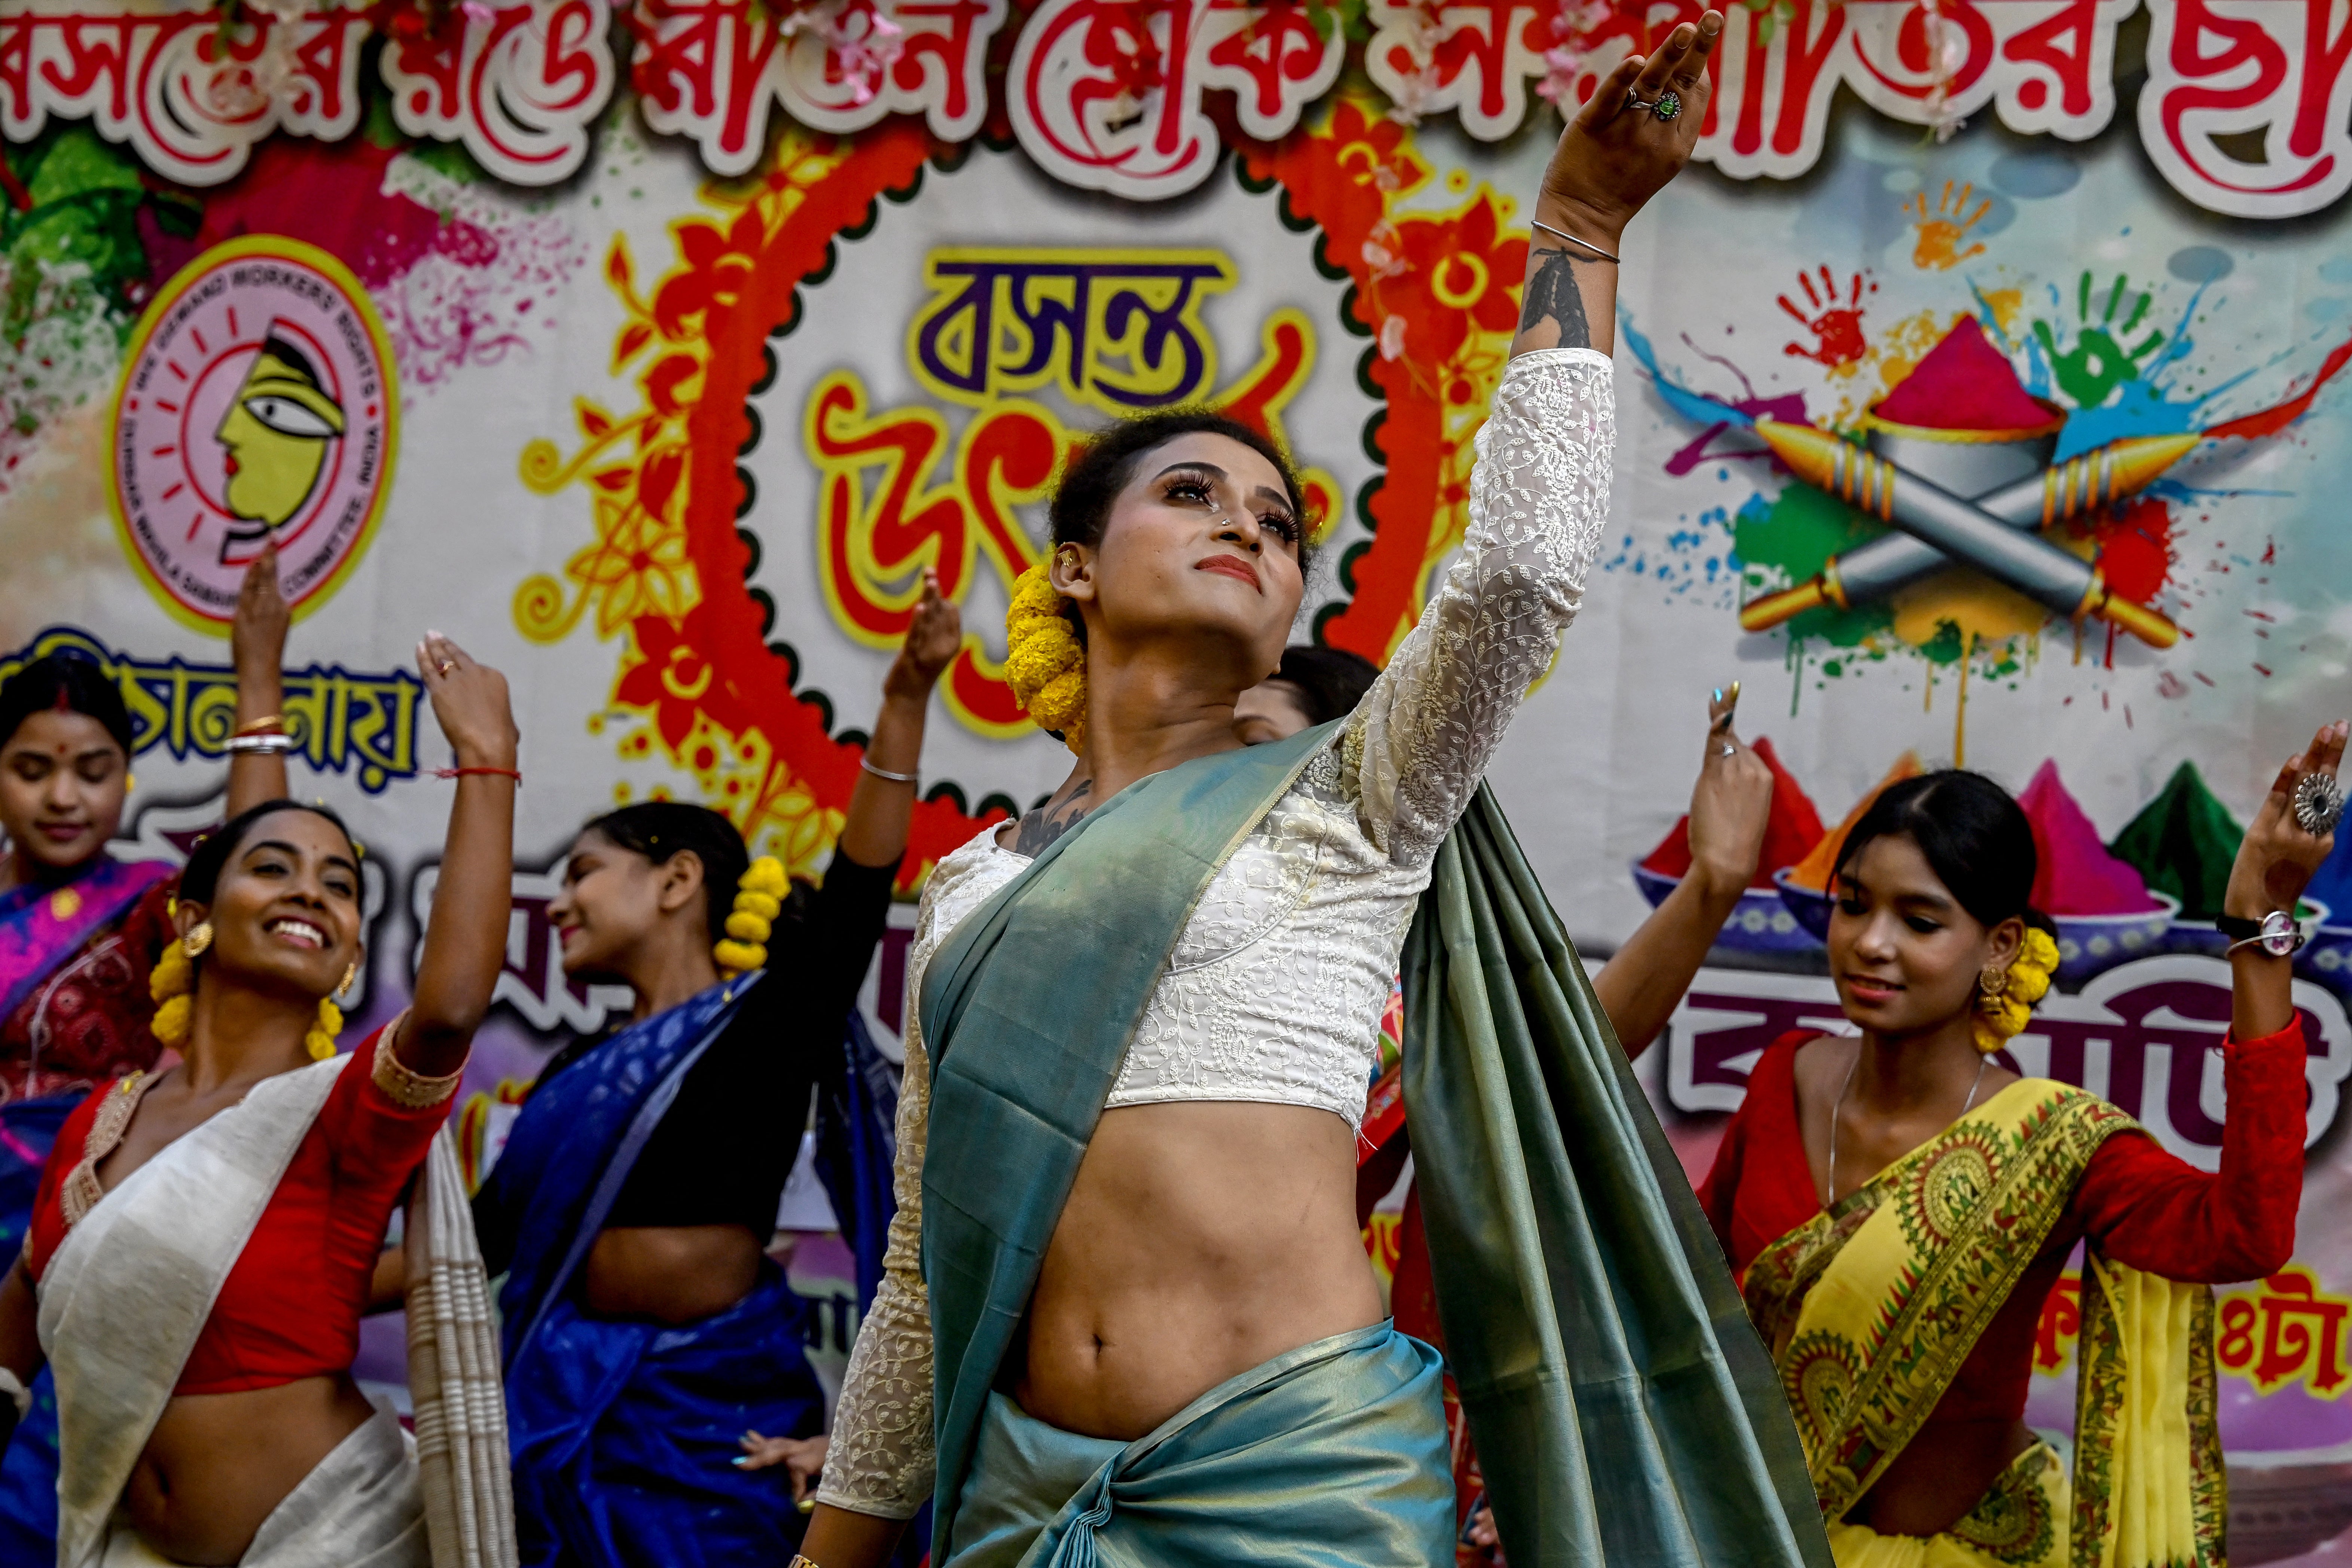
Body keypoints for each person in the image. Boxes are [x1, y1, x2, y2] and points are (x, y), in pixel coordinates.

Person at [802, 18, 1825, 1568]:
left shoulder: (1354, 797)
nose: (1244, 524)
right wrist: (834, 1555)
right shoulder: (969, 892)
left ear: (1290, 608)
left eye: (1277, 523)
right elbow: (915, 1280)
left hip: (1296, 1492)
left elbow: (1521, 573)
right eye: (1190, 493)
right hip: (1021, 1502)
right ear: (1073, 570)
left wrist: (1578, 234)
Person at [1697, 742, 2329, 1568]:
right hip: (1749, 1538)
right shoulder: (1783, 1077)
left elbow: (2243, 1233)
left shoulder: (2051, 1142)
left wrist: (2256, 928)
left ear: (1998, 946)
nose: (1869, 943)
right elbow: (1681, 1301)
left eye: (1918, 921)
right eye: (1853, 905)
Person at [0, 631, 520, 1568]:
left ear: (354, 953)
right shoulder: (103, 1120)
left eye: (341, 885)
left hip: (339, 1541)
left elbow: (446, 1009)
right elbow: (25, 1304)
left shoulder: (345, 1111)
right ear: (193, 921)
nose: (310, 893)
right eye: (273, 867)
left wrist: (486, 762)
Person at [472, 575, 961, 1567]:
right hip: (567, 1413)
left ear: (676, 877)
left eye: (581, 873)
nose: (558, 902)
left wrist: (904, 700)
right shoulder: (576, 1069)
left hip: (712, 1422)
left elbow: (860, 888)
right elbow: (482, 1242)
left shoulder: (765, 1021)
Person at [0, 548, 295, 1557]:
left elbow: (256, 864)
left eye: (93, 769)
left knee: (43, 1495)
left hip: (78, 1237)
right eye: (32, 767)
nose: (64, 795)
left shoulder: (147, 911)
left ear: (128, 778)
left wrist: (259, 685)